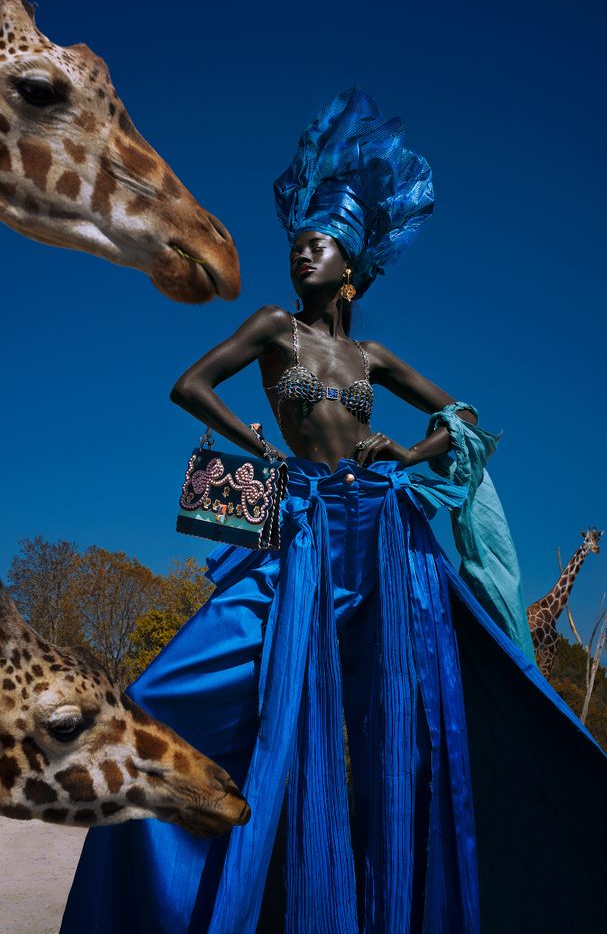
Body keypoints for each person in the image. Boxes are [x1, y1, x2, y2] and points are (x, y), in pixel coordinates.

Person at [61, 89, 606, 933]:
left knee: (417, 726)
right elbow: (189, 384)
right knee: (164, 694)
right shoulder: (274, 326)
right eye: (295, 245)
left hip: (387, 538)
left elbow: (460, 419)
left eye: (313, 246)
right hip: (301, 530)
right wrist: (251, 444)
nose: (298, 256)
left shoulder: (372, 355)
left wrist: (410, 453)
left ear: (348, 265)